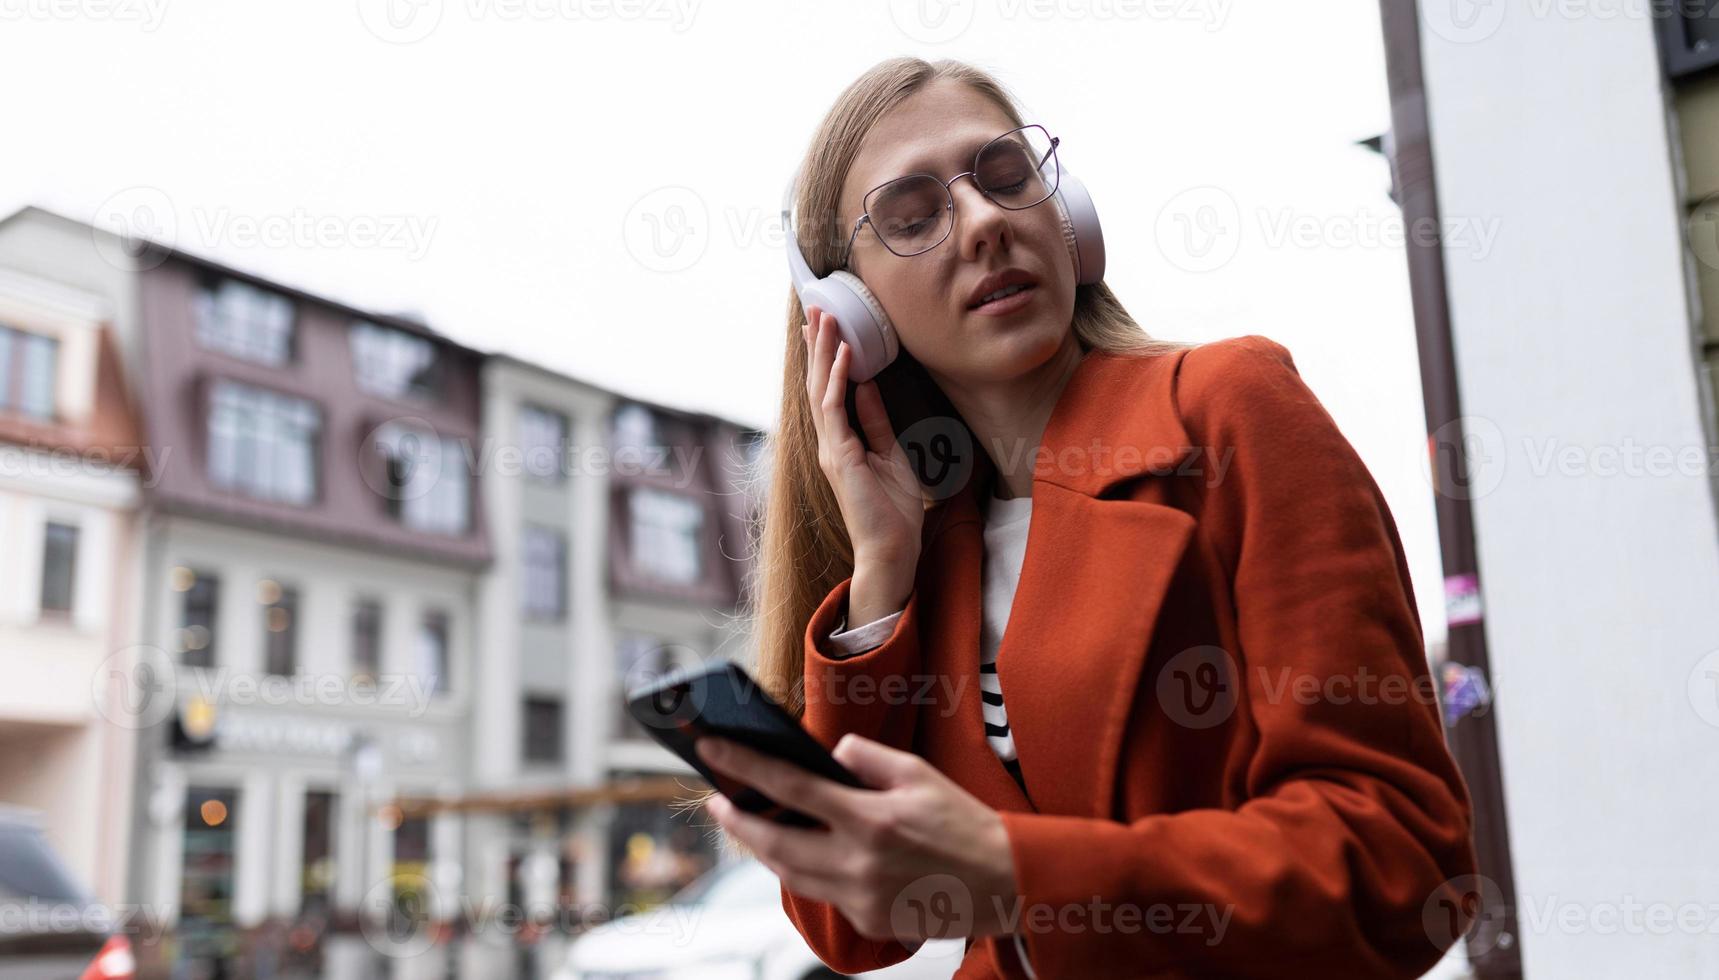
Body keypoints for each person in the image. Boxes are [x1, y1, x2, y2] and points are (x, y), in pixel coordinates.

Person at [696, 56, 1479, 979]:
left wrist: (1019, 872)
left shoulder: (1228, 412)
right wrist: (880, 571)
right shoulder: (922, 557)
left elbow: (1401, 862)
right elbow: (851, 931)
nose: (985, 222)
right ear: (846, 311)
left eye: (1004, 176)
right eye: (912, 217)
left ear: (1064, 214)